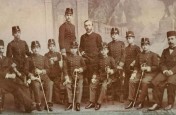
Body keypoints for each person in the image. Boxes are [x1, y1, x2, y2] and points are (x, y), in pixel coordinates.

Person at [0, 39, 34, 113]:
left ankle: (29, 106)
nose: (1, 50)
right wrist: (8, 75)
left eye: (2, 48)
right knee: (15, 87)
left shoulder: (6, 59)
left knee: (19, 87)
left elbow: (11, 67)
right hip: (1, 81)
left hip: (7, 82)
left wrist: (16, 73)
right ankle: (29, 105)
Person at [125, 38, 159, 109]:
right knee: (131, 80)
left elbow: (156, 67)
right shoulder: (139, 55)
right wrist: (134, 73)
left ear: (149, 45)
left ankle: (141, 101)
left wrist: (148, 68)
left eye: (146, 45)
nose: (144, 46)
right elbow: (136, 66)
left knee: (144, 82)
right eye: (143, 45)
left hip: (150, 74)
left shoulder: (153, 55)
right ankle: (131, 100)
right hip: (140, 73)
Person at [148, 31, 176, 111]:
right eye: (169, 39)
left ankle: (170, 103)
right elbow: (161, 63)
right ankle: (157, 103)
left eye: (172, 39)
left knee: (171, 82)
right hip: (165, 72)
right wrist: (164, 71)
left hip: (174, 72)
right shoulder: (165, 51)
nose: (170, 41)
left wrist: (171, 71)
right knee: (156, 81)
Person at [85, 42, 116, 110]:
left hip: (109, 77)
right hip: (100, 76)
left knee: (104, 86)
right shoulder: (99, 59)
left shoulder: (111, 58)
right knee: (92, 84)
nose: (103, 52)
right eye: (102, 50)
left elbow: (115, 68)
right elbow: (96, 70)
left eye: (105, 50)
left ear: (107, 50)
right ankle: (92, 102)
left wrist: (111, 71)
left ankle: (99, 103)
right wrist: (94, 76)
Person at [24, 41, 53, 111]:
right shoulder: (29, 59)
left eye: (37, 47)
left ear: (39, 48)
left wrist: (42, 71)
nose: (35, 49)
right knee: (36, 85)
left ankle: (48, 103)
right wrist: (30, 75)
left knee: (50, 83)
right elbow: (25, 70)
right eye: (33, 48)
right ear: (31, 49)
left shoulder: (44, 58)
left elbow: (48, 69)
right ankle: (38, 103)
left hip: (44, 77)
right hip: (35, 78)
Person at [6, 26, 31, 108]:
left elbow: (28, 54)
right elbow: (8, 58)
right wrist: (13, 67)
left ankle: (29, 102)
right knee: (18, 84)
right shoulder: (10, 44)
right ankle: (18, 102)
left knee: (26, 83)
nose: (17, 34)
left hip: (24, 67)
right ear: (13, 34)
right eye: (15, 33)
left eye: (19, 32)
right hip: (15, 68)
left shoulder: (24, 43)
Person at [63, 41, 86, 111]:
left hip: (79, 76)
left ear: (77, 49)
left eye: (75, 48)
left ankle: (78, 103)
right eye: (72, 48)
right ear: (70, 49)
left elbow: (84, 66)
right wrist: (66, 76)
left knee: (79, 86)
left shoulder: (80, 58)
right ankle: (70, 103)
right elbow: (65, 68)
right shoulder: (67, 58)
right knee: (68, 85)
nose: (73, 50)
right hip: (70, 76)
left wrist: (80, 69)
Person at [79, 20, 102, 84]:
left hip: (95, 61)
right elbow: (80, 47)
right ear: (84, 27)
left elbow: (100, 48)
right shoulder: (82, 37)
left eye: (89, 25)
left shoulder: (97, 36)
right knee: (87, 80)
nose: (87, 27)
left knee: (95, 79)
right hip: (86, 60)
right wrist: (81, 52)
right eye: (86, 25)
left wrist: (96, 56)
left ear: (92, 26)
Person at [107, 27, 125, 102]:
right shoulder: (109, 44)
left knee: (120, 79)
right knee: (112, 78)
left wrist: (121, 63)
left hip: (119, 64)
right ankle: (113, 94)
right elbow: (108, 55)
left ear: (118, 35)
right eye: (113, 34)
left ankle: (120, 95)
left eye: (116, 34)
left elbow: (124, 54)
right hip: (112, 64)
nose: (114, 36)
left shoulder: (122, 43)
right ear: (111, 35)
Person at [45, 39, 63, 104]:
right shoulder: (46, 55)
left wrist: (56, 59)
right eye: (50, 46)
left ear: (55, 46)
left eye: (53, 46)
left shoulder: (58, 54)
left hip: (57, 73)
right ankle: (50, 99)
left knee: (57, 86)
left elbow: (61, 64)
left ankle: (57, 99)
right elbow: (45, 64)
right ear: (48, 47)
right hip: (49, 74)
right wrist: (49, 61)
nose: (51, 47)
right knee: (50, 86)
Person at [124, 31, 140, 100]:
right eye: (127, 38)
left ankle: (134, 96)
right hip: (127, 68)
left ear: (133, 38)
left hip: (134, 68)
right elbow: (124, 58)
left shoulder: (137, 47)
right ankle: (128, 96)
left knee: (133, 81)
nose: (128, 39)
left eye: (130, 38)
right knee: (126, 82)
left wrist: (134, 62)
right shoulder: (126, 48)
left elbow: (139, 57)